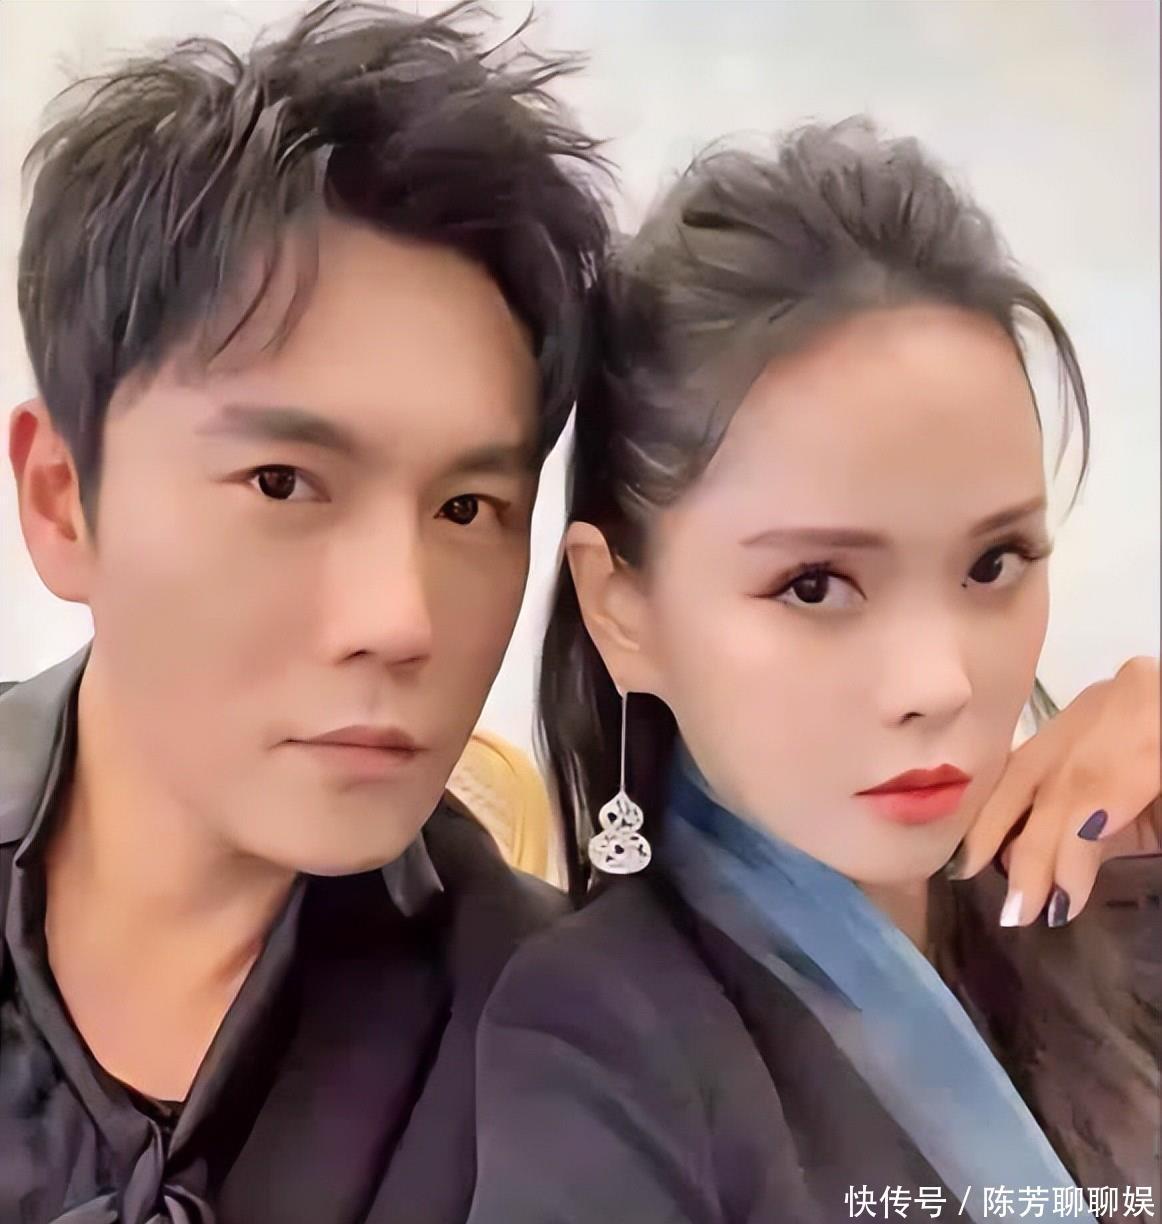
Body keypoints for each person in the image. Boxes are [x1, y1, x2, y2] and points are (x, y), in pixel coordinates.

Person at [467, 121, 1160, 1224]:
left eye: (994, 564)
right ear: (622, 610)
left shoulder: (1110, 915)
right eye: (814, 585)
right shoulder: (597, 1049)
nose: (936, 683)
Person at [0, 2, 608, 1221]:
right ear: (63, 500)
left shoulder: (579, 1046)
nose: (401, 621)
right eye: (282, 483)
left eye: (468, 507)